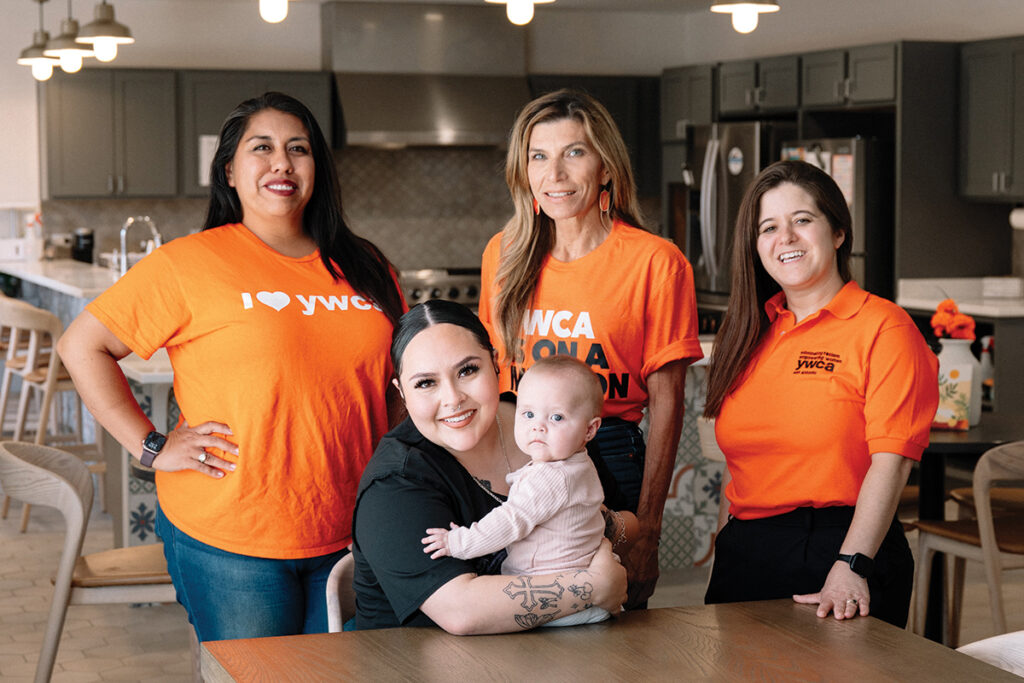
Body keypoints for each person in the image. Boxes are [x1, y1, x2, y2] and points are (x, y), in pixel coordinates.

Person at [56, 92, 405, 642]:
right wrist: (151, 447)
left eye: (299, 149)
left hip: (354, 528)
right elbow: (81, 346)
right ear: (230, 172)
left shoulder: (367, 266)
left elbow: (398, 386)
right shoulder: (188, 263)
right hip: (232, 537)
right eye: (261, 148)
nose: (282, 164)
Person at [478, 88, 703, 606]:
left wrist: (648, 526)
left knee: (610, 623)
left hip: (610, 461)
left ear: (606, 168)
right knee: (517, 614)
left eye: (574, 153)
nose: (554, 173)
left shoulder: (654, 262)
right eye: (539, 156)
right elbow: (494, 377)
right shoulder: (505, 253)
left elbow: (668, 402)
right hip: (517, 461)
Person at [702, 160, 938, 628]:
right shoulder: (749, 332)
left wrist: (852, 565)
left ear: (838, 233)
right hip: (746, 554)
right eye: (768, 227)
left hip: (843, 550)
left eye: (802, 221)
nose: (785, 238)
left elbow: (891, 463)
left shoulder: (884, 327)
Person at [352, 300, 628, 633]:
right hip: (414, 664)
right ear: (401, 393)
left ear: (495, 363)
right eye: (426, 383)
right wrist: (594, 586)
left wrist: (600, 535)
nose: (453, 398)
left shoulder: (545, 421)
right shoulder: (394, 483)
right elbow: (461, 611)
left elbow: (627, 521)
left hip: (541, 654)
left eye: (467, 370)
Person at [421, 355, 613, 627]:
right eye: (528, 414)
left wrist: (458, 543)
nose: (538, 426)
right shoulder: (578, 464)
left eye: (556, 417)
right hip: (578, 591)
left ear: (590, 429)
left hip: (557, 603)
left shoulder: (551, 478)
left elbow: (509, 522)